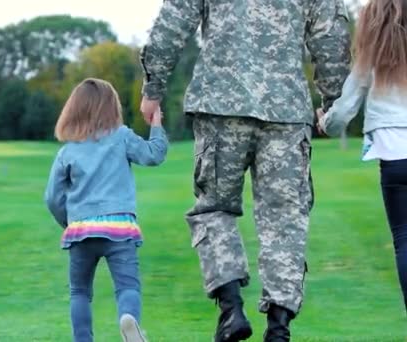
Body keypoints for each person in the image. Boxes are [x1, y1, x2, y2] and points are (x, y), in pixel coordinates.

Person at [139, 0, 351, 340]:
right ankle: (279, 328)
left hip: (221, 104)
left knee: (214, 208)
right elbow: (331, 37)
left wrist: (153, 89)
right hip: (286, 111)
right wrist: (333, 102)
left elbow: (173, 20)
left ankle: (231, 309)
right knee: (285, 221)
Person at [44, 78, 168, 342]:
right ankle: (129, 320)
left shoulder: (68, 151)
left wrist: (70, 221)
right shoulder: (121, 136)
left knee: (79, 292)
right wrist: (156, 124)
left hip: (80, 232)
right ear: (112, 107)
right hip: (119, 229)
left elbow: (52, 198)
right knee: (127, 286)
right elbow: (154, 154)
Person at [318, 0, 407, 315]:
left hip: (395, 158)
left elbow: (345, 106)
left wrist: (325, 122)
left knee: (404, 240)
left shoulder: (375, 53)